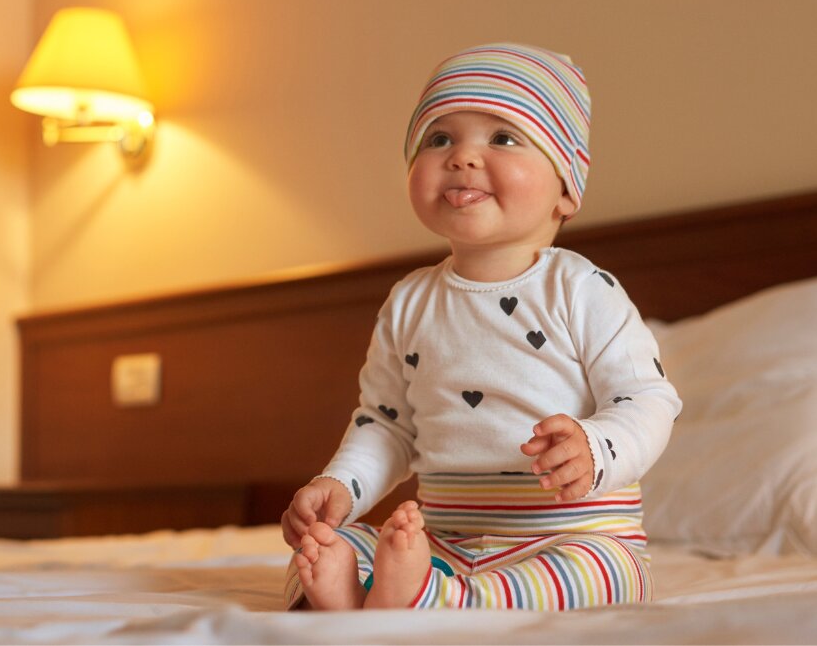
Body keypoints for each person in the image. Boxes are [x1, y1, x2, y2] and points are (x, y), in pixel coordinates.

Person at [281, 42, 681, 611]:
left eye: (502, 137)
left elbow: (649, 399)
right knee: (322, 551)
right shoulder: (409, 301)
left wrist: (595, 447)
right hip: (445, 541)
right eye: (440, 138)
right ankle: (398, 591)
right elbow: (387, 425)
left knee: (611, 575)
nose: (462, 157)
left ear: (566, 189)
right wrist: (341, 486)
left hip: (569, 536)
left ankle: (424, 600)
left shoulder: (583, 289)